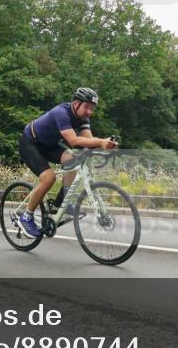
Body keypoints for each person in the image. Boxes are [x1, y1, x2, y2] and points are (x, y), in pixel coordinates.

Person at [16, 87, 118, 238]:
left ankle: (60, 202)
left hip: (49, 145)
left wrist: (105, 146)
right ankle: (26, 216)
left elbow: (88, 141)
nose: (89, 111)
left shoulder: (83, 119)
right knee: (48, 178)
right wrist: (100, 142)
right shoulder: (61, 113)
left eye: (92, 108)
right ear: (76, 103)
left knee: (73, 160)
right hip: (30, 143)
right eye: (87, 107)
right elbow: (73, 140)